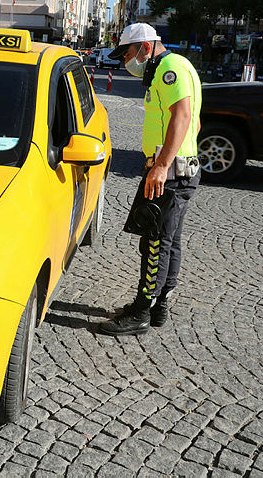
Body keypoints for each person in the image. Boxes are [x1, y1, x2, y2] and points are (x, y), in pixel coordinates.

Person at [99, 23, 202, 336]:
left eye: (129, 53)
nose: (128, 60)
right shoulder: (179, 66)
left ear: (145, 47)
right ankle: (158, 307)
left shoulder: (169, 68)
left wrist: (161, 165)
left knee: (155, 242)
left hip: (168, 171)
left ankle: (142, 311)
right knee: (169, 241)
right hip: (179, 168)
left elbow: (183, 117)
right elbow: (194, 124)